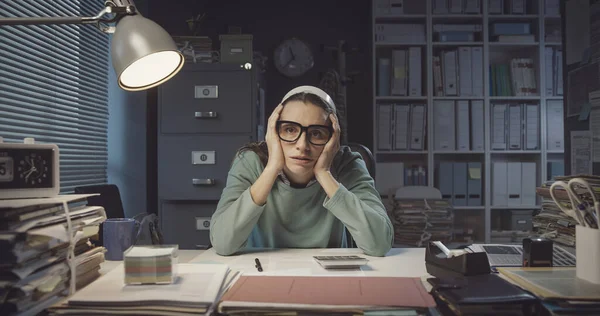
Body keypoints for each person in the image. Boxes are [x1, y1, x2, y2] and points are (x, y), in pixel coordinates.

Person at [209, 85, 393, 256]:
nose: (302, 145)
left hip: (331, 278)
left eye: (316, 133)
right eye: (289, 130)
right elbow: (223, 243)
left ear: (333, 138)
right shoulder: (250, 161)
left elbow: (380, 243)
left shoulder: (348, 163)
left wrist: (324, 173)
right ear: (273, 132)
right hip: (263, 273)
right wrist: (272, 168)